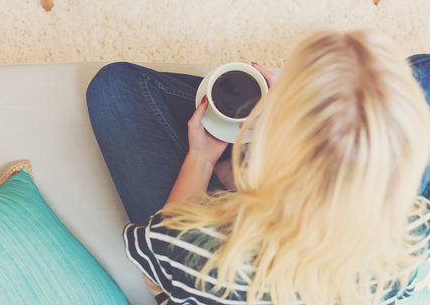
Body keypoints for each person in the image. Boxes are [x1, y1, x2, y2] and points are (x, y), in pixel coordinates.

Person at [86, 30, 430, 305]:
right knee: (420, 72)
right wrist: (309, 115)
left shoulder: (199, 252)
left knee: (114, 87)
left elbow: (156, 279)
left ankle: (233, 173)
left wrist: (201, 159)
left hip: (220, 249)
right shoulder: (412, 233)